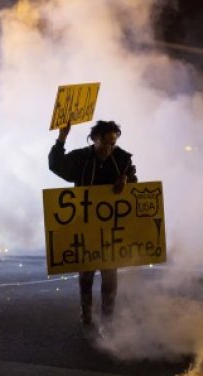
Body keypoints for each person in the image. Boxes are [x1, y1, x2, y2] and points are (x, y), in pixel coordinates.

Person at [48, 120, 138, 328]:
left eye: (112, 144)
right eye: (104, 143)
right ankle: (87, 313)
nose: (108, 148)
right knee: (86, 274)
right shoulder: (81, 158)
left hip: (110, 228)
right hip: (85, 225)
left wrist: (126, 178)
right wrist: (62, 138)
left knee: (109, 275)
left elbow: (134, 180)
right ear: (94, 139)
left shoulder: (122, 159)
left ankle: (107, 318)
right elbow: (57, 165)